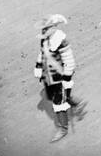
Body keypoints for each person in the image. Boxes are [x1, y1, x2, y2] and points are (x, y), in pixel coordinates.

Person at [36, 15, 87, 143]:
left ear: (53, 28)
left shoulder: (61, 41)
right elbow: (42, 53)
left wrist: (66, 77)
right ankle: (77, 103)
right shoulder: (45, 38)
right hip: (48, 77)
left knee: (58, 103)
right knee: (53, 97)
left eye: (46, 28)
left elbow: (69, 61)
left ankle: (63, 129)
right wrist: (38, 66)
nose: (43, 31)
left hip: (59, 78)